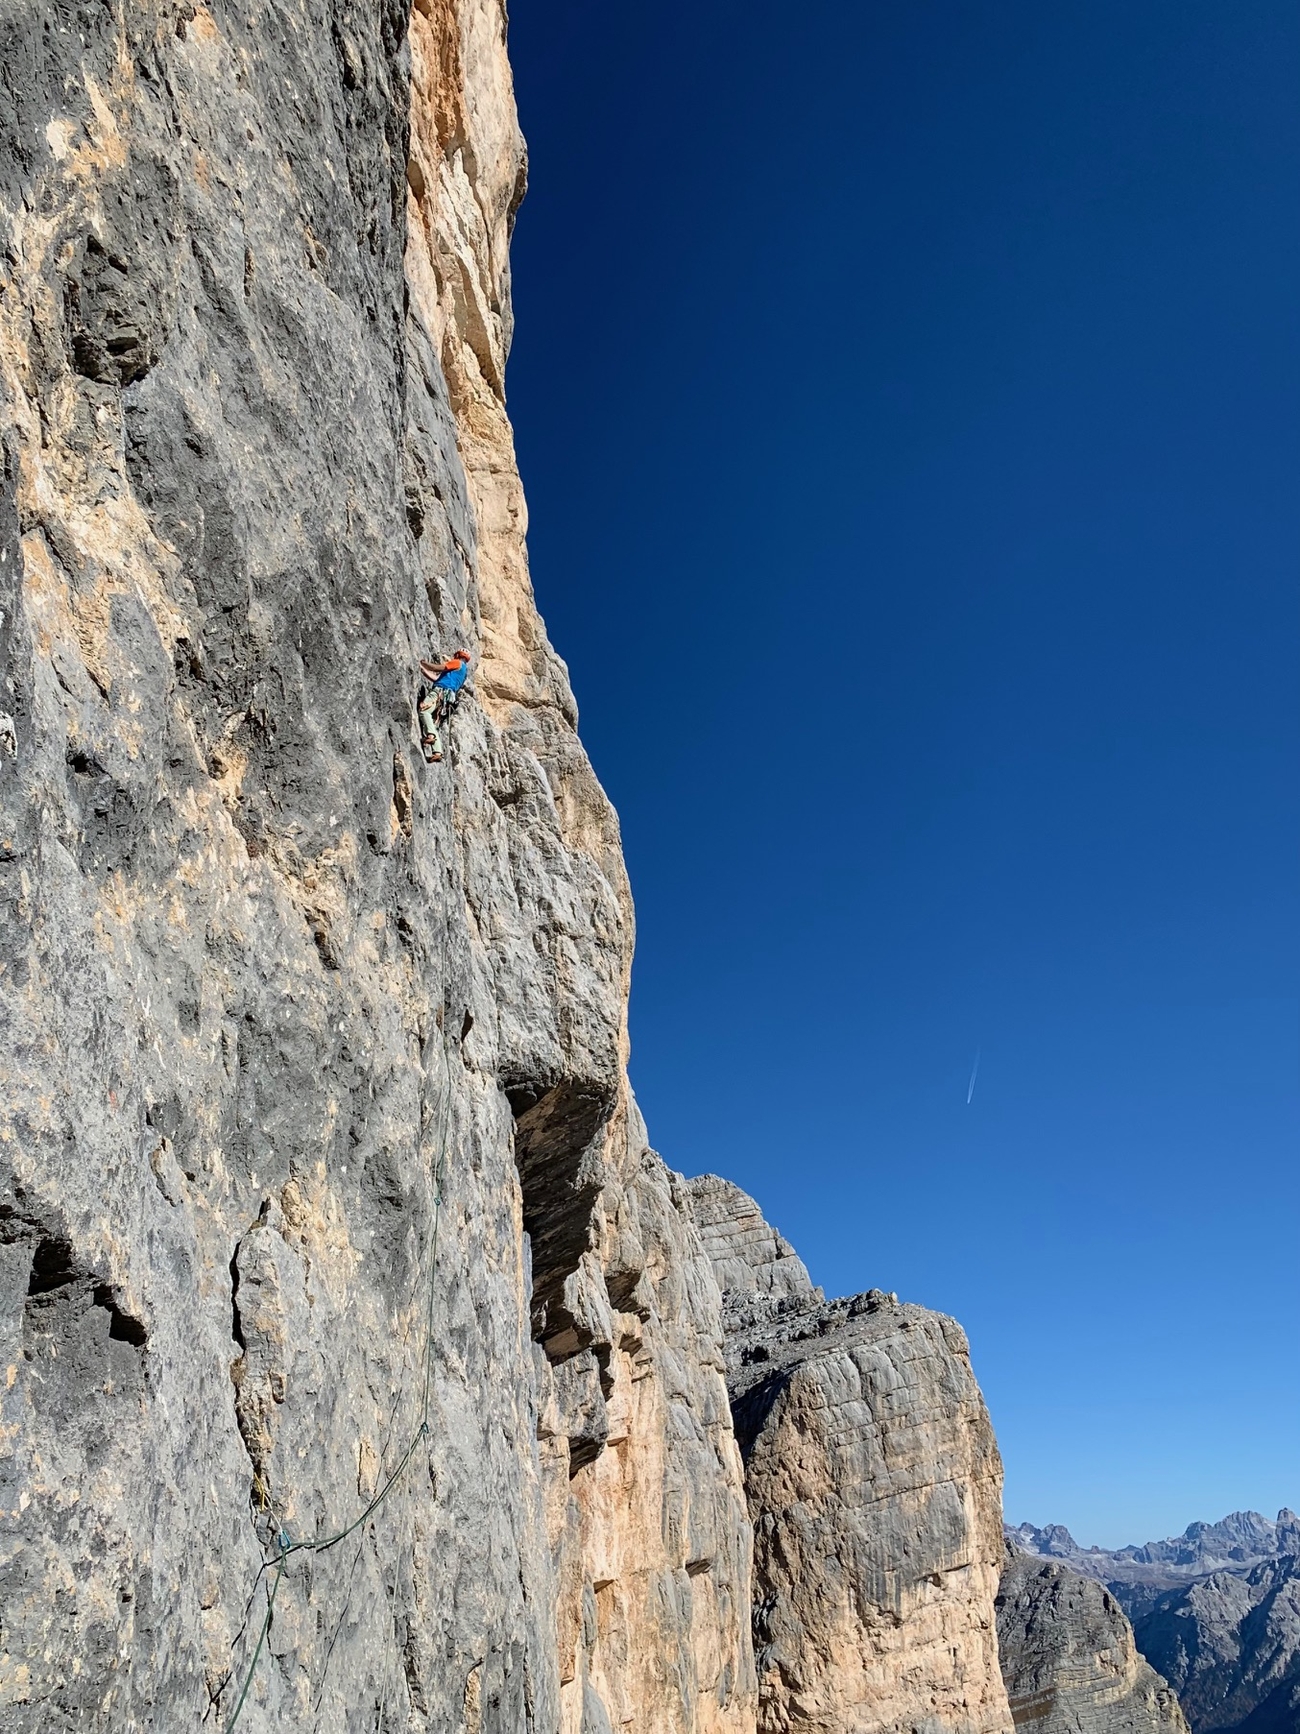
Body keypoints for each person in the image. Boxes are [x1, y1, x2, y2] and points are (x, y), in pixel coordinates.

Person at [417, 649, 471, 762]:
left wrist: (423, 663)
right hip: (448, 699)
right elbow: (437, 679)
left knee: (424, 711)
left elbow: (436, 668)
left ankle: (430, 736)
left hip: (440, 692)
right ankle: (437, 752)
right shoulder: (463, 673)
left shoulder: (457, 663)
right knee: (432, 721)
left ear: (458, 655)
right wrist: (423, 671)